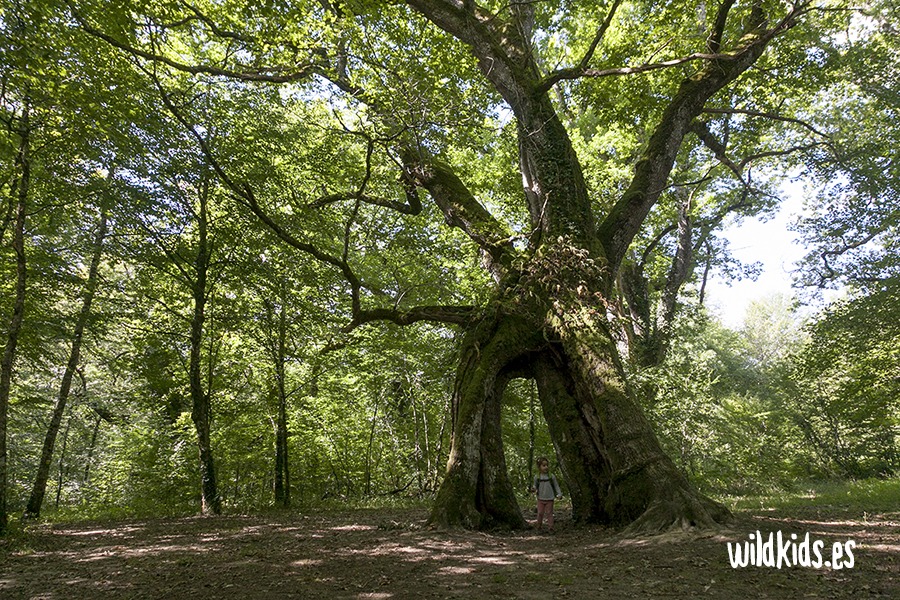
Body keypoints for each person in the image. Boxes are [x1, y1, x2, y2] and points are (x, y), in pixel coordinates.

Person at [530, 457, 562, 532]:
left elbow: (556, 485)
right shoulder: (537, 477)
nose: (546, 467)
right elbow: (535, 485)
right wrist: (533, 488)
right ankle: (539, 526)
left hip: (550, 498)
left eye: (547, 465)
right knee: (540, 513)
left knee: (549, 513)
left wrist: (559, 493)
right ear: (539, 467)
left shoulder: (551, 476)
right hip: (540, 498)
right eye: (543, 465)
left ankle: (551, 527)